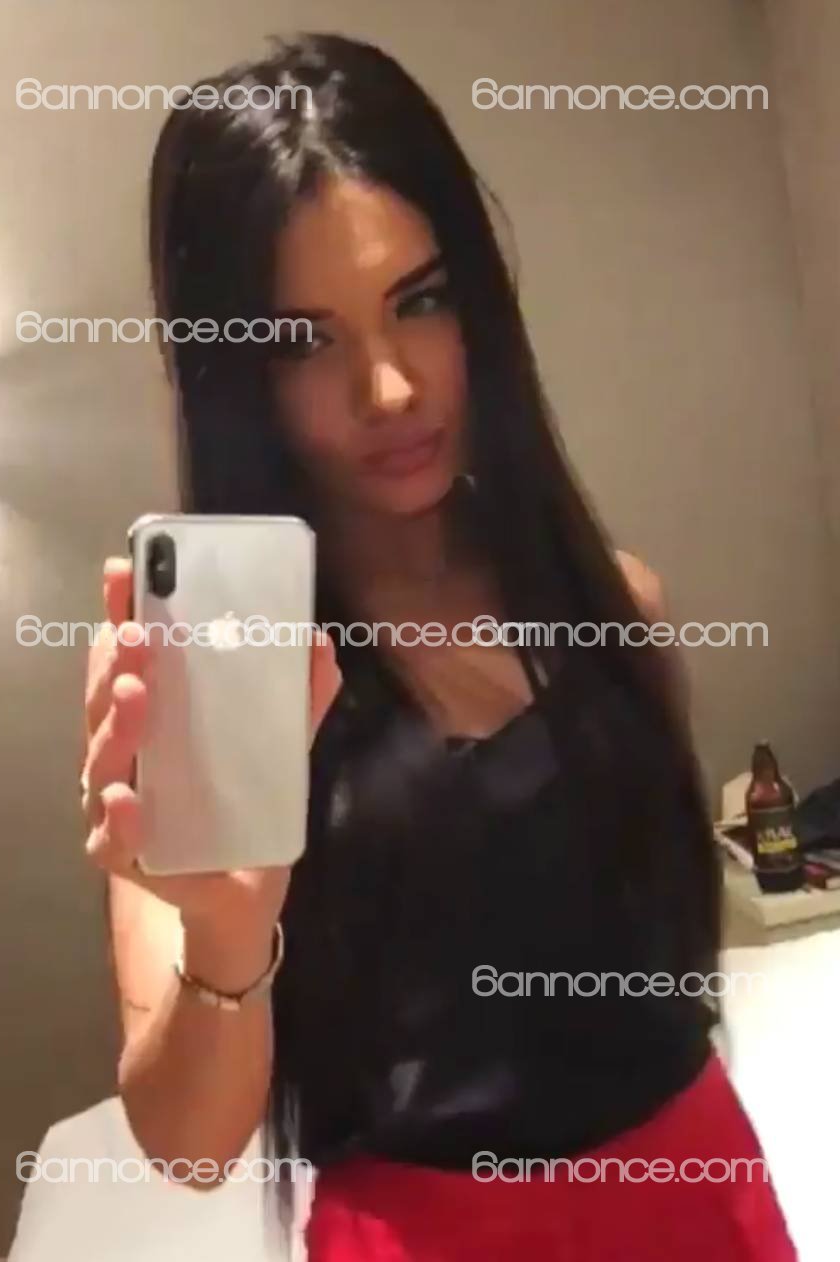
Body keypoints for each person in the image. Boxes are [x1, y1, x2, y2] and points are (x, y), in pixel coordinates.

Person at [80, 32, 797, 1261]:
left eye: (418, 301)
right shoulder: (198, 686)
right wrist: (232, 933)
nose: (389, 388)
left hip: (697, 1197)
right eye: (303, 339)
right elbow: (191, 1146)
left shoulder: (616, 611)